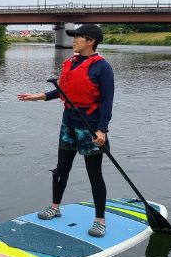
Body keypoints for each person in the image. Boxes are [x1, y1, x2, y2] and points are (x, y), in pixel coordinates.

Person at [18, 23, 114, 238]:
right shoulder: (71, 63)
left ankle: (100, 220)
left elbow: (107, 102)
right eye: (73, 36)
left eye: (78, 37)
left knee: (94, 174)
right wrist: (39, 96)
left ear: (91, 41)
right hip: (68, 124)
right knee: (61, 169)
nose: (73, 40)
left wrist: (102, 131)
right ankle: (55, 207)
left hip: (90, 128)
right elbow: (63, 90)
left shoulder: (102, 67)